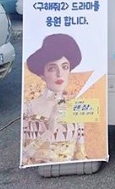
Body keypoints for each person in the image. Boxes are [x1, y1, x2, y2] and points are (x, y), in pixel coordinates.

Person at [21, 33, 87, 165]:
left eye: (65, 67)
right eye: (52, 68)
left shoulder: (76, 109)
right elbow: (23, 157)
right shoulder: (29, 108)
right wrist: (49, 131)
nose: (59, 74)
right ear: (42, 74)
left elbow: (80, 154)